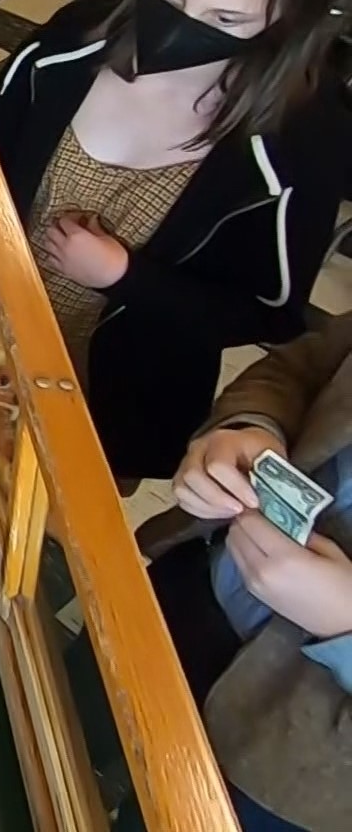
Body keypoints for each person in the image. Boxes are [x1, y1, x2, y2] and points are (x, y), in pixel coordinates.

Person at [0, 0, 352, 485]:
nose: (179, 27)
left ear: (288, 26)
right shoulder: (71, 43)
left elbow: (268, 311)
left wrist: (126, 277)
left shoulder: (299, 148)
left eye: (226, 20)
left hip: (109, 397)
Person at [161, 313, 352, 831]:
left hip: (290, 772)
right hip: (184, 593)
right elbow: (301, 365)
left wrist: (347, 625)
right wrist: (248, 425)